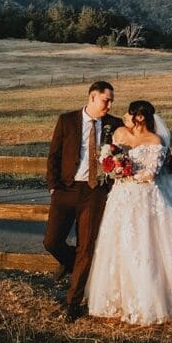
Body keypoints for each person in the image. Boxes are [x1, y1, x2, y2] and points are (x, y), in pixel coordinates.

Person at [84, 100, 172, 325]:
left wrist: (126, 172)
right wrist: (113, 167)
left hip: (145, 197)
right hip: (121, 198)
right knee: (118, 245)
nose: (126, 117)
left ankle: (151, 300)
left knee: (146, 245)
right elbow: (107, 156)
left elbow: (151, 173)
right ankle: (118, 300)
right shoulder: (120, 133)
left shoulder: (155, 140)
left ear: (140, 117)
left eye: (130, 114)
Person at [44, 80, 123, 322]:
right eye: (105, 100)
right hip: (66, 190)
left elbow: (128, 148)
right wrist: (53, 187)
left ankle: (73, 303)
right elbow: (54, 155)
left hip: (95, 192)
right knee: (51, 241)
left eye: (111, 101)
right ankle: (69, 263)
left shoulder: (114, 125)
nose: (109, 105)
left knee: (86, 248)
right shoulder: (66, 120)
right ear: (92, 97)